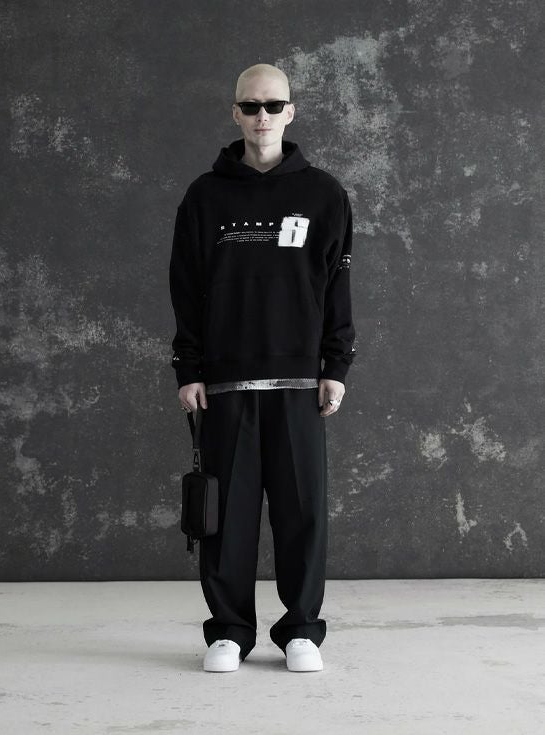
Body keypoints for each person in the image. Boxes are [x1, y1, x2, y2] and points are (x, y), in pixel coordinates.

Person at [169, 63, 356, 673]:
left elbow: (337, 287)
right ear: (235, 113)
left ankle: (301, 630)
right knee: (227, 516)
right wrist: (188, 368)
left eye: (274, 105)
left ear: (291, 112)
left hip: (299, 382)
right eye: (251, 106)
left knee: (303, 513)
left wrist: (336, 365)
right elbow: (185, 288)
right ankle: (229, 631)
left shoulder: (324, 194)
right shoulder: (205, 196)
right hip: (226, 382)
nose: (262, 117)